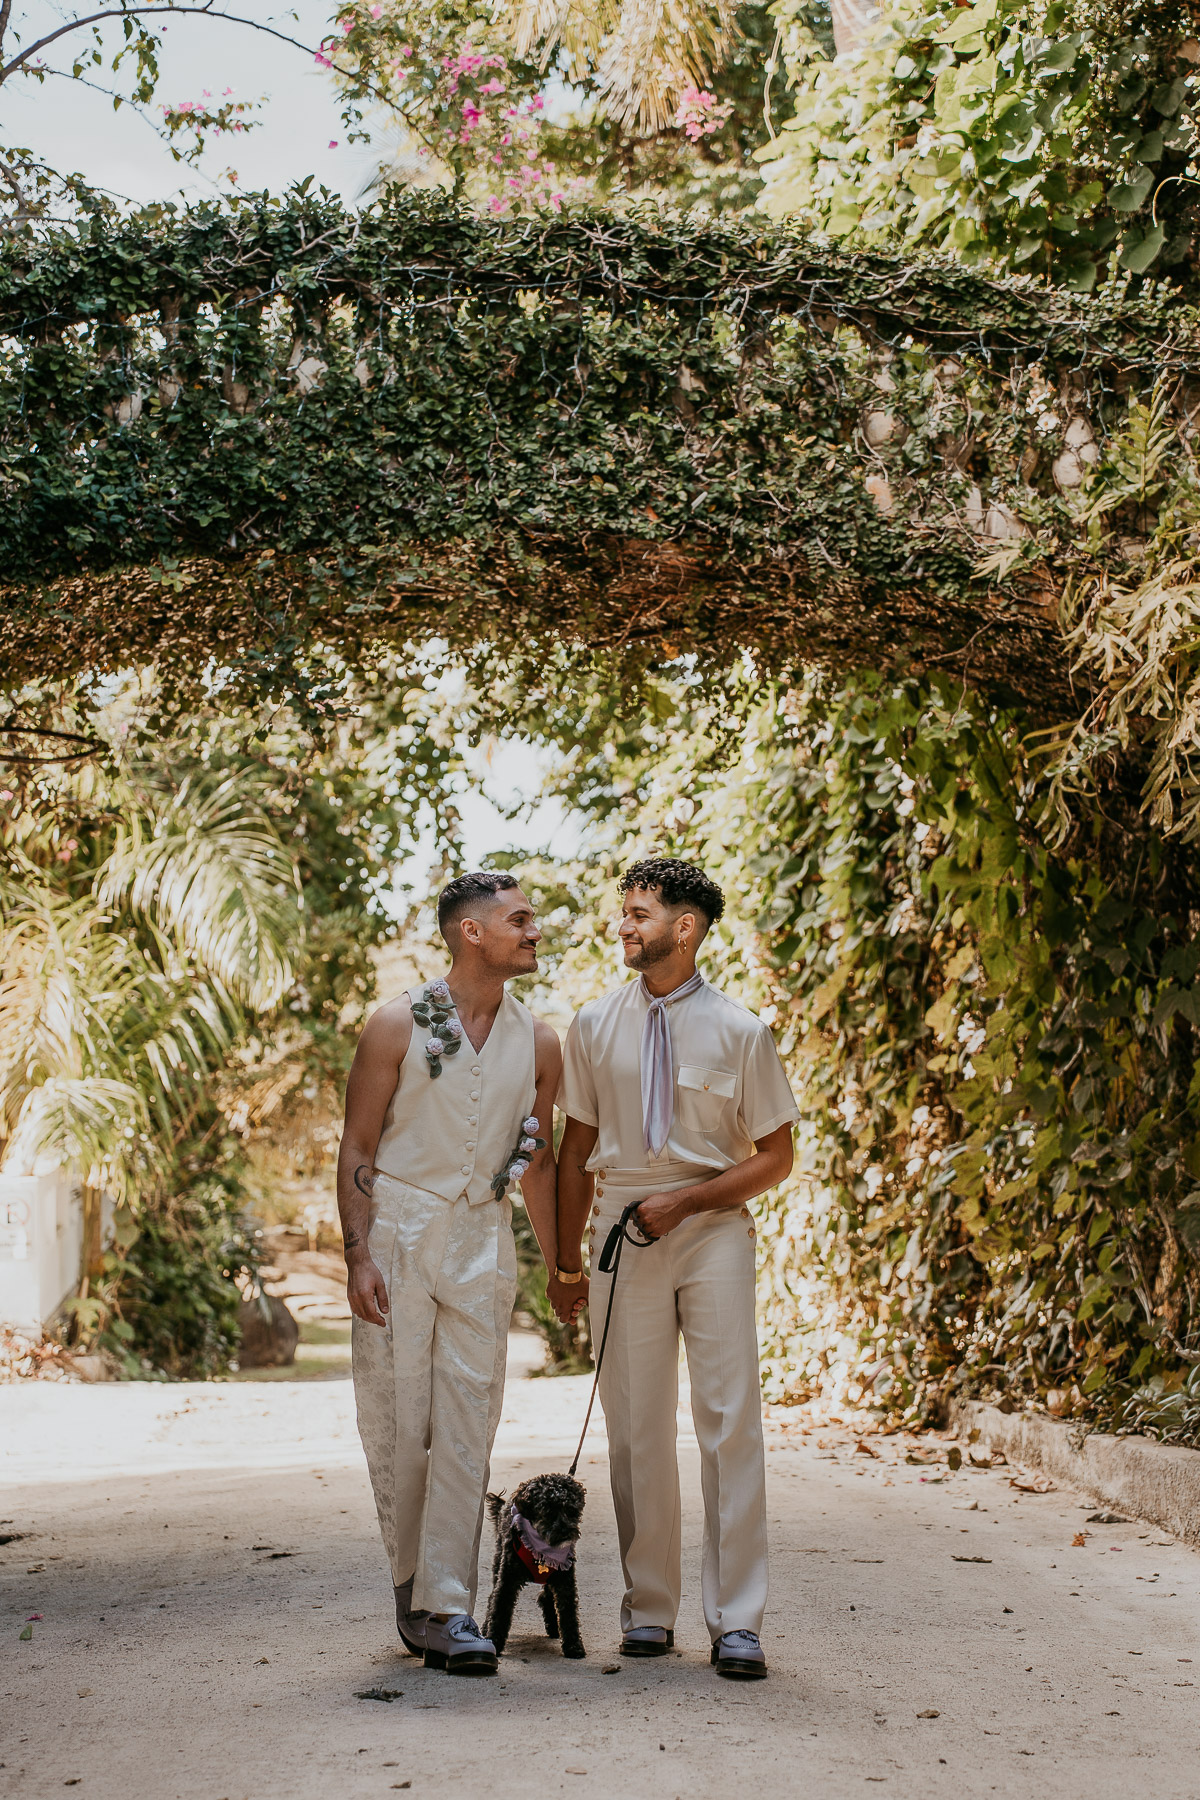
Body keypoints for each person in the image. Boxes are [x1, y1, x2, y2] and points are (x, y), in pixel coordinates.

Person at [555, 857, 798, 1680]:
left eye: (638, 913)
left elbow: (776, 1158)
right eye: (621, 912)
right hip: (621, 1227)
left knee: (730, 1420)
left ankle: (737, 1622)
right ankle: (647, 1610)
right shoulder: (591, 1024)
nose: (622, 926)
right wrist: (563, 1259)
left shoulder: (742, 1030)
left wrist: (689, 1204)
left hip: (714, 1228)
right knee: (635, 1425)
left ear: (684, 928)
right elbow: (574, 1150)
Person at [337, 870, 564, 1675]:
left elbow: (536, 1164)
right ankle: (411, 1587)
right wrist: (359, 1253)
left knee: (471, 1417)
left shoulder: (540, 1041)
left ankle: (449, 1605)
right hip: (397, 1232)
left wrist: (562, 1267)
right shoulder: (396, 1025)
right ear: (472, 932)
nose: (536, 931)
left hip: (482, 1239)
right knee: (401, 1420)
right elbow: (358, 1148)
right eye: (520, 920)